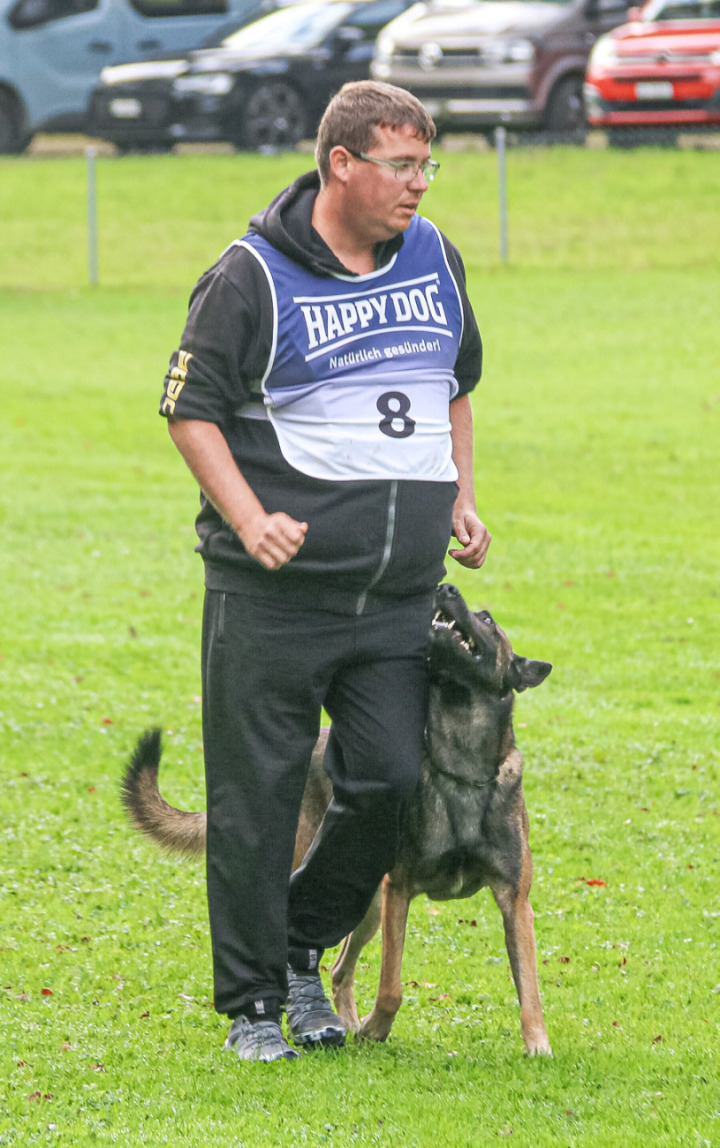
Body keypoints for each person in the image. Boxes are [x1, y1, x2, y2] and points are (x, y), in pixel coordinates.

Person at [159, 80, 491, 1063]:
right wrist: (250, 516)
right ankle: (256, 1005)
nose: (419, 185)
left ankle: (300, 945)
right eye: (401, 165)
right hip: (273, 597)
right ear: (339, 164)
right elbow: (191, 408)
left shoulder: (434, 257)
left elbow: (453, 386)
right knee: (256, 798)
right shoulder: (249, 275)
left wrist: (462, 493)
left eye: (427, 165)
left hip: (396, 596)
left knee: (388, 776)